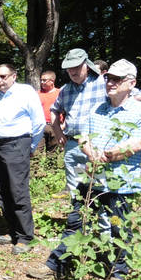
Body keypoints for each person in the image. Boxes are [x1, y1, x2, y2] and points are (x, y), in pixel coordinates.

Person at [28, 59, 141, 280]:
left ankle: (117, 274)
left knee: (119, 229)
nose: (110, 82)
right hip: (92, 179)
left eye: (117, 79)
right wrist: (90, 151)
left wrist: (108, 155)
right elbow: (84, 136)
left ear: (131, 82)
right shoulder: (98, 108)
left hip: (121, 183)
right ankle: (56, 265)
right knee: (77, 222)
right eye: (108, 78)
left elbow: (137, 143)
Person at [0, 64, 45, 254]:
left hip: (17, 145)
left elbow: (38, 123)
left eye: (3, 76)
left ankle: (25, 237)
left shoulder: (25, 92)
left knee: (17, 190)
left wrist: (29, 146)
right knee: (0, 189)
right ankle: (13, 231)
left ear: (14, 76)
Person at [51, 49, 106, 195]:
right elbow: (54, 110)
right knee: (75, 191)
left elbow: (130, 97)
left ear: (86, 65)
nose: (72, 71)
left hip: (96, 146)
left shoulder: (103, 84)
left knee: (96, 190)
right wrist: (58, 132)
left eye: (76, 67)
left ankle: (96, 217)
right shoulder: (65, 90)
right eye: (69, 68)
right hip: (72, 146)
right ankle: (78, 218)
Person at [37, 70, 61, 153]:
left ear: (52, 81)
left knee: (52, 153)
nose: (42, 82)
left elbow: (65, 111)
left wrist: (63, 125)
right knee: (36, 153)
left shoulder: (60, 93)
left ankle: (51, 166)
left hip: (55, 126)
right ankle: (34, 166)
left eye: (44, 80)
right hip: (40, 126)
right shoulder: (37, 94)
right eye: (41, 80)